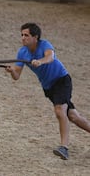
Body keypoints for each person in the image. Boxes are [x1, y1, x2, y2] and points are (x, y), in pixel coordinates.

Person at [5, 22, 90, 160]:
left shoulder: (45, 45)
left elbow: (50, 57)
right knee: (73, 116)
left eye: (26, 35)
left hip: (62, 80)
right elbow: (17, 76)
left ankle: (64, 147)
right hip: (49, 87)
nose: (23, 38)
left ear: (35, 37)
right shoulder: (22, 52)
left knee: (59, 111)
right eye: (21, 35)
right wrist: (11, 71)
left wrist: (40, 61)